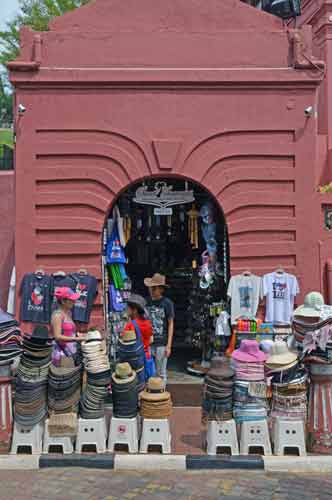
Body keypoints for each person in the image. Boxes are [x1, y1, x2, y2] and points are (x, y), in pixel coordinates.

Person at [144, 273, 175, 385]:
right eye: (150, 287)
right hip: (148, 342)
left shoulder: (167, 303)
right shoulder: (146, 302)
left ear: (161, 289)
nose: (151, 290)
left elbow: (171, 324)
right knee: (148, 371)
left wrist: (169, 345)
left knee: (161, 372)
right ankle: (150, 396)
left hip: (162, 343)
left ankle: (161, 397)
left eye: (153, 288)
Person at [51, 287, 86, 366]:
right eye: (71, 300)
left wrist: (79, 335)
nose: (74, 302)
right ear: (63, 301)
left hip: (70, 352)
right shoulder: (57, 315)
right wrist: (77, 339)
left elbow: (69, 332)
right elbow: (57, 336)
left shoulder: (68, 313)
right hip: (61, 354)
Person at [121, 294, 153, 359]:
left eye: (128, 308)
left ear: (135, 310)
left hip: (134, 360)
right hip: (146, 357)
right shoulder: (148, 323)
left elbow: (124, 343)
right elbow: (151, 340)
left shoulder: (130, 325)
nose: (126, 310)